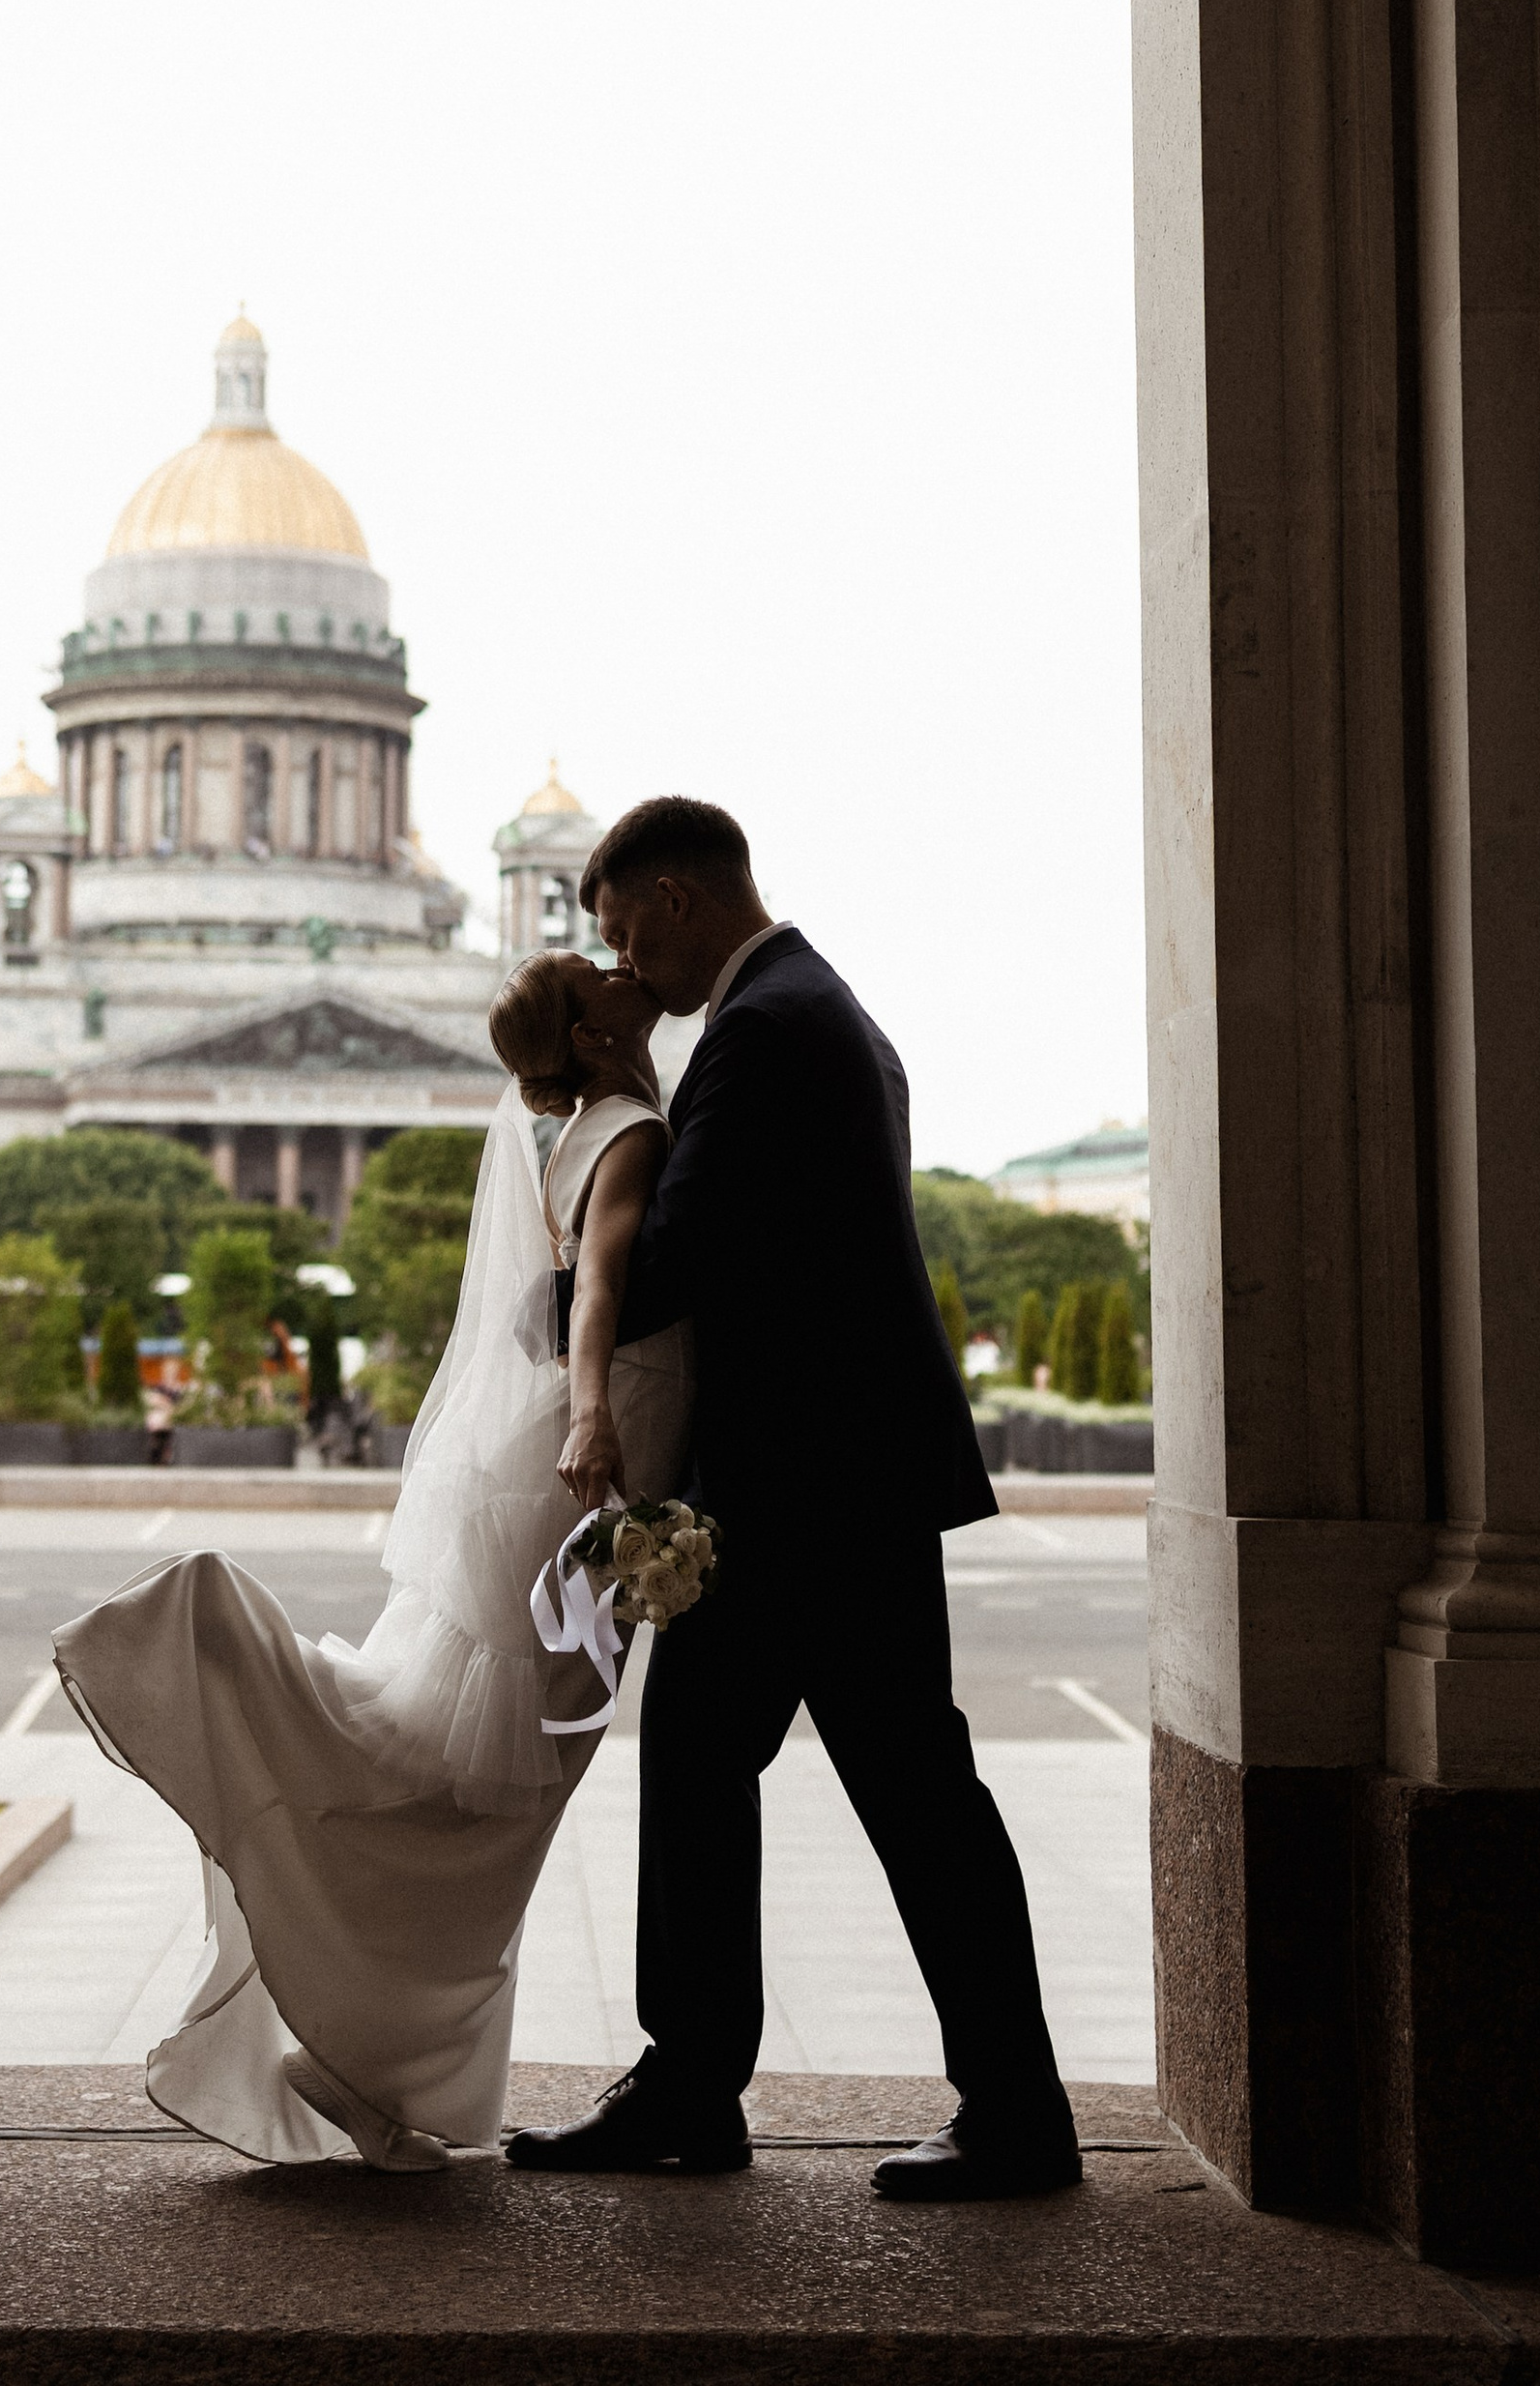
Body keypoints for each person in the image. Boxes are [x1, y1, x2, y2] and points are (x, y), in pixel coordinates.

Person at [504, 794, 1081, 2201]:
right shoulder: (818, 1008)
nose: (618, 957)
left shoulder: (763, 1029)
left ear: (677, 897)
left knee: (833, 1784)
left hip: (802, 1494)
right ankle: (740, 2085)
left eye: (619, 923)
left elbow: (684, 1254)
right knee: (817, 1778)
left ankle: (719, 2087)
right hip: (837, 1481)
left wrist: (537, 1312)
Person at [52, 953, 689, 2169]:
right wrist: (600, 1411)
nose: (626, 971)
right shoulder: (630, 1132)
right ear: (587, 1029)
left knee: (453, 1778)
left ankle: (369, 2043)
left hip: (541, 1471)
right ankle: (366, 2044)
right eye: (599, 970)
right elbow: (596, 1285)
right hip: (583, 1471)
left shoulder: (581, 1121)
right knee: (490, 1806)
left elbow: (530, 1310)